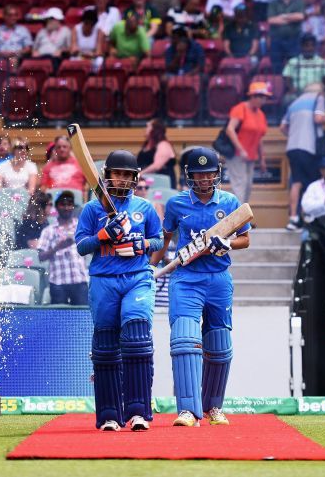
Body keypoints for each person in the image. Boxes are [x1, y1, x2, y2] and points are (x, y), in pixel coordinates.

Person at [150, 147, 250, 427]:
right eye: (198, 174)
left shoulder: (230, 202)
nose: (204, 179)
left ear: (217, 174)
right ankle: (187, 410)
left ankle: (213, 407)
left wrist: (227, 243)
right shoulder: (176, 204)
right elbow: (165, 240)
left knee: (219, 345)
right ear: (189, 176)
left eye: (209, 174)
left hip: (218, 279)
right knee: (184, 340)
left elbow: (245, 239)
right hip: (185, 279)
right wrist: (150, 267)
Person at [74, 149, 163, 431]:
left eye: (127, 175)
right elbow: (81, 246)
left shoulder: (145, 208)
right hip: (103, 280)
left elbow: (158, 240)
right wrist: (103, 235)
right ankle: (110, 415)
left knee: (137, 337)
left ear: (135, 178)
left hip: (137, 276)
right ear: (107, 176)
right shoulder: (92, 209)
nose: (122, 179)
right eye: (117, 174)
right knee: (106, 347)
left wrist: (141, 246)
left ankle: (138, 412)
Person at [281, 82, 325, 230]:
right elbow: (318, 119)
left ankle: (293, 218)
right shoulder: (319, 98)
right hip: (309, 147)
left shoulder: (294, 103)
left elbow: (282, 127)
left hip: (292, 147)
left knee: (297, 182)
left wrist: (293, 135)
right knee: (312, 181)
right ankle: (309, 216)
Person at [38, 190, 89, 305]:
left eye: (69, 204)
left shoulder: (81, 227)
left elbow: (91, 248)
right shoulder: (49, 231)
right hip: (58, 282)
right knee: (58, 318)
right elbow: (40, 257)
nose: (66, 207)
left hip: (79, 280)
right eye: (63, 204)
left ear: (73, 206)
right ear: (56, 207)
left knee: (81, 317)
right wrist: (57, 247)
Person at [225, 81, 270, 204]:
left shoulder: (261, 114)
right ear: (253, 96)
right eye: (261, 97)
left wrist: (262, 159)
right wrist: (241, 149)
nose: (263, 100)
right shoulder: (240, 109)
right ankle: (238, 219)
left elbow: (259, 137)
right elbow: (230, 129)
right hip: (237, 155)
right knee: (240, 186)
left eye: (265, 98)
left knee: (248, 186)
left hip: (250, 156)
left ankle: (241, 217)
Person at [267, 0, 305, 73]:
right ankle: (279, 87)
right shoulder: (274, 3)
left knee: (295, 69)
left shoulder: (299, 2)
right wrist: (291, 18)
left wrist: (283, 16)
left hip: (294, 40)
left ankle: (292, 87)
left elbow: (300, 16)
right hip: (277, 41)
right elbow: (271, 20)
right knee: (276, 68)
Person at [0, 4, 33, 69]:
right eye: (10, 15)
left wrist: (15, 53)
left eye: (15, 15)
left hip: (16, 57)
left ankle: (12, 78)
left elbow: (28, 49)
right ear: (4, 16)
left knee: (12, 61)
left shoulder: (23, 30)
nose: (13, 18)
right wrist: (0, 53)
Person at [137, 119, 177, 185]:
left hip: (162, 183)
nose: (145, 129)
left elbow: (157, 166)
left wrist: (140, 174)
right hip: (145, 183)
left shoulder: (163, 144)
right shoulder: (147, 145)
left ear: (155, 130)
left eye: (148, 126)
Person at [32, 7, 72, 72]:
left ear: (58, 20)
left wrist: (61, 51)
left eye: (51, 19)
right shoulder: (42, 31)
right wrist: (34, 52)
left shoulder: (66, 31)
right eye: (48, 19)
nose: (48, 21)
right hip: (40, 57)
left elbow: (70, 49)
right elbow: (34, 49)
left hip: (55, 59)